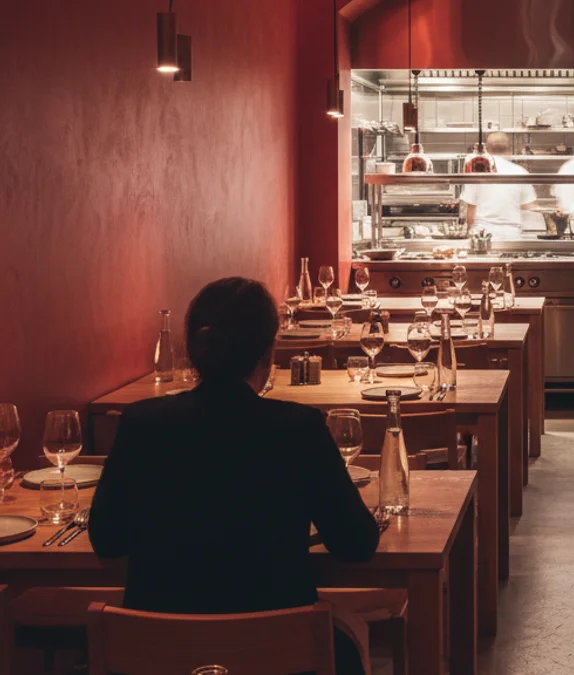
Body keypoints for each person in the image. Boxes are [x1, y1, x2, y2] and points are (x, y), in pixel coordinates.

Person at [89, 277, 379, 675]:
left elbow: (105, 540)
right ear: (268, 353)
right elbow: (357, 543)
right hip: (282, 657)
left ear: (193, 351)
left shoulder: (141, 423)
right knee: (347, 635)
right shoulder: (300, 428)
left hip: (156, 656)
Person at [459, 132, 538, 240]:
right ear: (510, 149)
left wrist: (468, 231)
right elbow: (530, 206)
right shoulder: (520, 172)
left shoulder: (478, 170)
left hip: (482, 234)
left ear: (487, 149)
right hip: (511, 233)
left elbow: (471, 208)